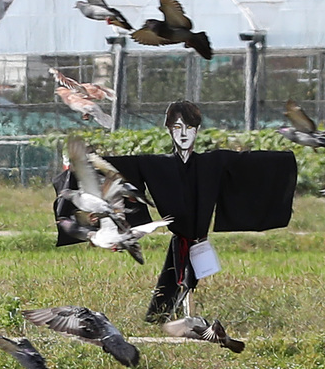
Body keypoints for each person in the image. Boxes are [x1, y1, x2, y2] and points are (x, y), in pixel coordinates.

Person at [55, 99, 296, 320]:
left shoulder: (213, 162)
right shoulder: (157, 165)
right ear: (169, 129)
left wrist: (285, 161)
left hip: (197, 234)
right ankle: (168, 310)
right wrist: (83, 164)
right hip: (180, 232)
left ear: (197, 130)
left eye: (189, 127)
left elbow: (250, 163)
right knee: (179, 257)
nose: (183, 134)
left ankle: (171, 310)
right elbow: (119, 168)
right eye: (177, 127)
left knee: (191, 256)